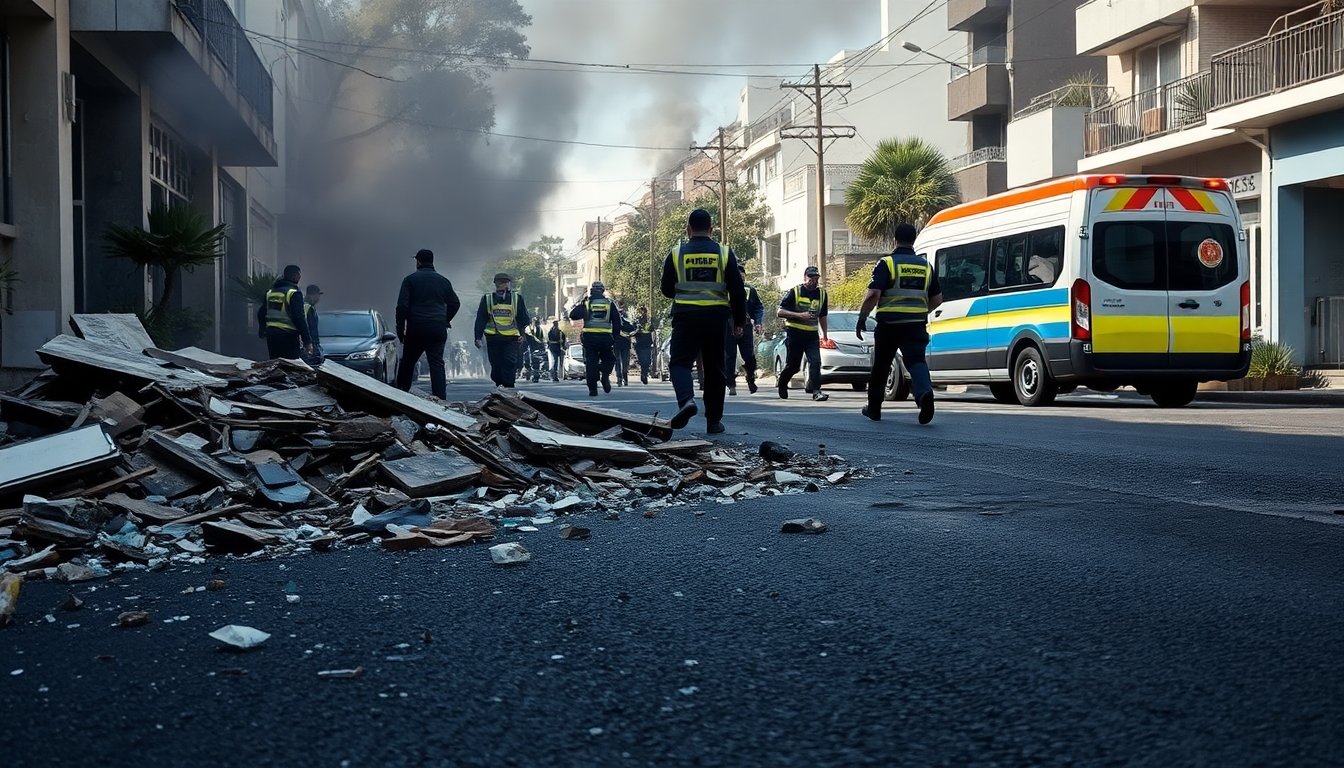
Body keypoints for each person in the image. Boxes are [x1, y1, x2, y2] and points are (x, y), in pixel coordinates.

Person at [661, 208, 746, 434]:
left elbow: (666, 289)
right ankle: (714, 422)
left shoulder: (676, 253)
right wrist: (739, 322)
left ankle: (687, 401)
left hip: (685, 318)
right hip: (715, 319)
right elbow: (738, 291)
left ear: (688, 230)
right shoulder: (724, 253)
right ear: (711, 229)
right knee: (715, 368)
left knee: (679, 363)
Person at [856, 222, 942, 425]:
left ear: (894, 240)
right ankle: (924, 394)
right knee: (916, 361)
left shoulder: (887, 263)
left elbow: (873, 294)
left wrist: (862, 317)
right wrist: (920, 312)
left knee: (881, 365)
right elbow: (938, 299)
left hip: (889, 324)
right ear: (913, 240)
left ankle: (874, 409)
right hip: (916, 325)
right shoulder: (925, 266)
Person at [395, 248, 461, 399]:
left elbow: (402, 307)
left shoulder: (410, 280)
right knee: (437, 364)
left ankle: (401, 396)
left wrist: (400, 330)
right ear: (432, 261)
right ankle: (440, 399)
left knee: (408, 363)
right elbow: (455, 303)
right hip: (437, 329)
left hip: (416, 329)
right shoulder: (443, 281)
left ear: (418, 262)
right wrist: (444, 320)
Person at [776, 265, 829, 402]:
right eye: (811, 278)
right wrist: (800, 315)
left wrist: (825, 335)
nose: (813, 281)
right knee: (793, 366)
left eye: (816, 278)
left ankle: (816, 391)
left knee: (815, 362)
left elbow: (823, 316)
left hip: (812, 335)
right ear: (805, 278)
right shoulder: (795, 292)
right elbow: (780, 312)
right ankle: (782, 383)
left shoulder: (822, 294)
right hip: (795, 334)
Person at [474, 272, 531, 389]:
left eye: (505, 282)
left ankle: (509, 387)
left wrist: (522, 335)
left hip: (511, 338)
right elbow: (481, 319)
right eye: (500, 282)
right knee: (496, 364)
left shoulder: (516, 298)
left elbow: (523, 318)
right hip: (493, 337)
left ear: (509, 284)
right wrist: (477, 337)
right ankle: (499, 383)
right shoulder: (487, 299)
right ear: (495, 284)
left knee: (510, 362)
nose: (503, 285)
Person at [570, 282, 621, 396]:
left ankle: (593, 389)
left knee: (591, 363)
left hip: (589, 338)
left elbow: (573, 315)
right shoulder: (609, 303)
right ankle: (604, 374)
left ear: (591, 290)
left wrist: (581, 303)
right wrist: (615, 338)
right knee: (609, 359)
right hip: (605, 338)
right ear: (602, 291)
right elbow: (617, 322)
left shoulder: (586, 302)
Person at [257, 264, 315, 361]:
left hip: (272, 336)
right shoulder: (294, 293)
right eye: (299, 274)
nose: (300, 277)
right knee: (290, 365)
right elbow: (299, 317)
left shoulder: (270, 293)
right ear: (294, 275)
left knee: (275, 364)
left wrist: (262, 331)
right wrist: (307, 341)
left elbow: (261, 313)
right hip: (288, 337)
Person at [725, 263, 764, 396]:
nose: (741, 278)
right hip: (728, 327)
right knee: (729, 356)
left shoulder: (749, 290)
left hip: (745, 326)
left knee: (749, 355)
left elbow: (758, 307)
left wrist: (758, 322)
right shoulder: (724, 290)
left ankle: (750, 378)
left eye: (742, 276)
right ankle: (731, 384)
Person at [632, 306, 656, 385]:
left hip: (647, 344)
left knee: (647, 361)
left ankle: (644, 375)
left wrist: (654, 343)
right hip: (639, 344)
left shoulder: (649, 322)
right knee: (642, 361)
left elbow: (653, 330)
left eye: (644, 312)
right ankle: (643, 374)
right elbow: (632, 332)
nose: (643, 313)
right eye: (641, 312)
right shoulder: (636, 322)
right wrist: (637, 330)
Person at [302, 284, 324, 366]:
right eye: (318, 295)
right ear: (313, 295)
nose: (318, 298)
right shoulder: (308, 307)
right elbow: (311, 328)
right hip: (309, 343)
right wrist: (313, 344)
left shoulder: (306, 306)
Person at [613, 302, 634, 386]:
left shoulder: (627, 321)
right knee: (617, 362)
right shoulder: (613, 322)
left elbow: (631, 328)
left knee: (625, 362)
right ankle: (619, 378)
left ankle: (625, 379)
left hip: (625, 344)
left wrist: (622, 327)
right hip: (616, 344)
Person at [522, 317, 545, 383]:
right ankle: (528, 373)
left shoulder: (539, 329)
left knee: (535, 362)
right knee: (527, 361)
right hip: (528, 346)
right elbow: (526, 337)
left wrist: (541, 346)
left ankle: (535, 376)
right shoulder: (528, 328)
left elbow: (541, 338)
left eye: (537, 322)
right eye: (535, 322)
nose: (536, 323)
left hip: (536, 347)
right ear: (532, 322)